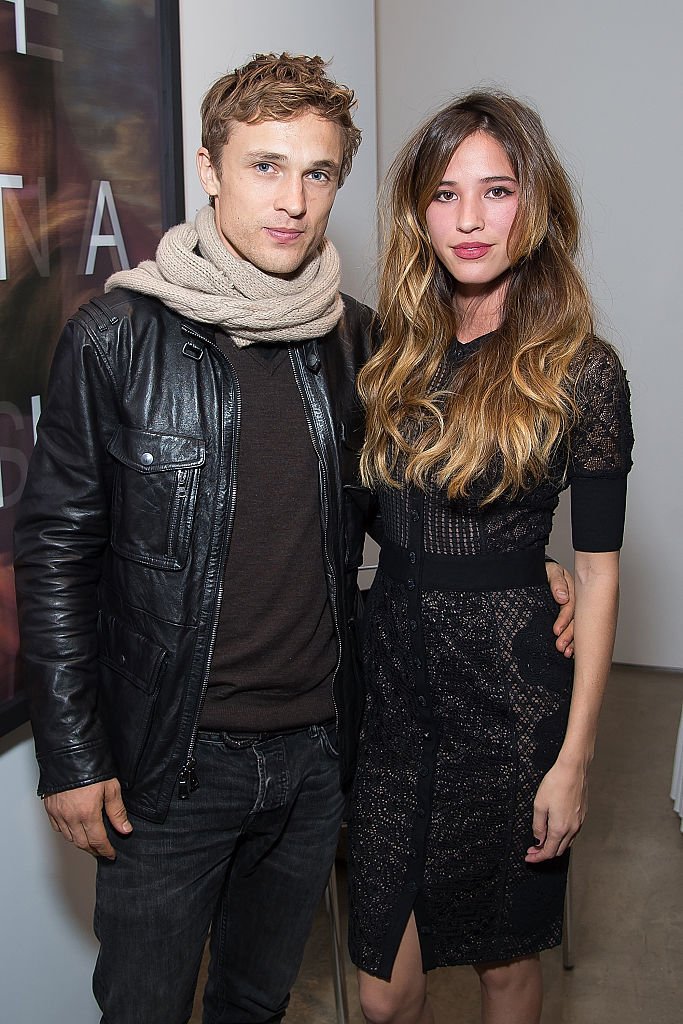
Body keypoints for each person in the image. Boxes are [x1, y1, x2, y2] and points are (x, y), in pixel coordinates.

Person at [12, 56, 574, 1024]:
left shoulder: (354, 342)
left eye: (316, 173)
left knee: (256, 1000)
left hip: (316, 751)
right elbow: (56, 553)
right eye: (266, 166)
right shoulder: (116, 335)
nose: (292, 200)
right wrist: (70, 755)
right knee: (142, 1005)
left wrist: (522, 569)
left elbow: (402, 510)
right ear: (209, 168)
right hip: (168, 762)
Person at [349, 91, 633, 1024]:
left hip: (511, 706)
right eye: (443, 193)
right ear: (416, 212)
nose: (468, 219)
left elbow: (594, 572)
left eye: (496, 190)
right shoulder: (390, 350)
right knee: (384, 994)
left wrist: (574, 760)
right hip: (394, 696)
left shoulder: (581, 370)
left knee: (504, 966)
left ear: (534, 204)